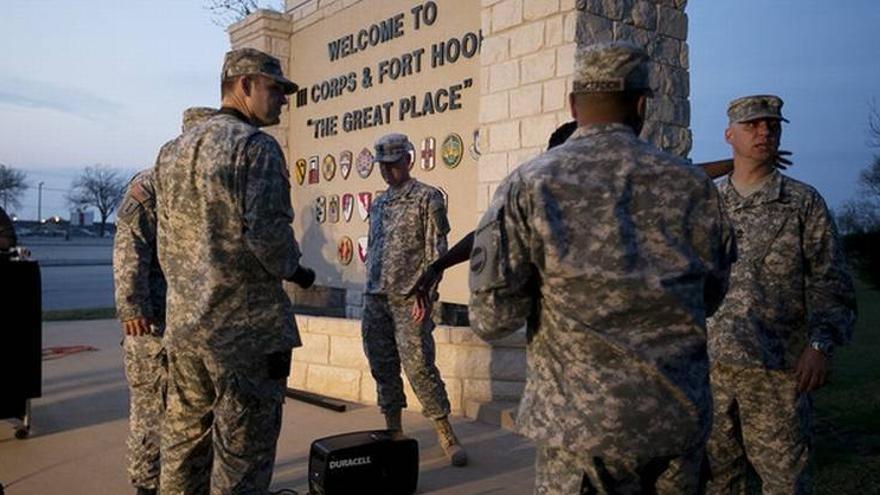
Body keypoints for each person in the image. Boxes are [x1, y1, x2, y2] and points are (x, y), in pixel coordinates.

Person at [469, 41, 736, 493]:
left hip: (581, 434)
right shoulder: (694, 186)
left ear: (573, 105)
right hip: (675, 424)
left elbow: (492, 319)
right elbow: (710, 297)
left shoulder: (531, 184)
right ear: (641, 104)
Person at [154, 48, 315, 494]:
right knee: (243, 458)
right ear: (243, 85)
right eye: (275, 88)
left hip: (186, 330)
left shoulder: (171, 152)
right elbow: (269, 238)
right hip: (244, 335)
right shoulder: (254, 147)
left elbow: (167, 241)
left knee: (183, 448)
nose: (283, 99)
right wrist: (296, 271)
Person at [705, 95, 857, 494]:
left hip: (777, 370)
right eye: (753, 125)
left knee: (784, 483)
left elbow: (831, 281)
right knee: (718, 482)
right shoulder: (708, 203)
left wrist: (820, 345)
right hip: (711, 370)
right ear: (729, 134)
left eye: (772, 126)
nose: (765, 132)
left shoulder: (802, 202)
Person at [113, 106, 215, 495]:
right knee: (151, 413)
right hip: (153, 324)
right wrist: (133, 305)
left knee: (190, 416)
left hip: (192, 324)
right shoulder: (151, 185)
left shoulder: (204, 187)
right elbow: (129, 244)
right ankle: (147, 487)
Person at [361, 132, 468, 467]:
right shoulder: (379, 203)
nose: (387, 171)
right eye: (383, 166)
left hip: (410, 298)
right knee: (382, 365)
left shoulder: (428, 197)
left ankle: (445, 431)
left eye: (393, 164)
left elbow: (437, 251)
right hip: (376, 298)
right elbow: (376, 248)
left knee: (420, 366)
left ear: (408, 160)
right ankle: (393, 429)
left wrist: (427, 291)